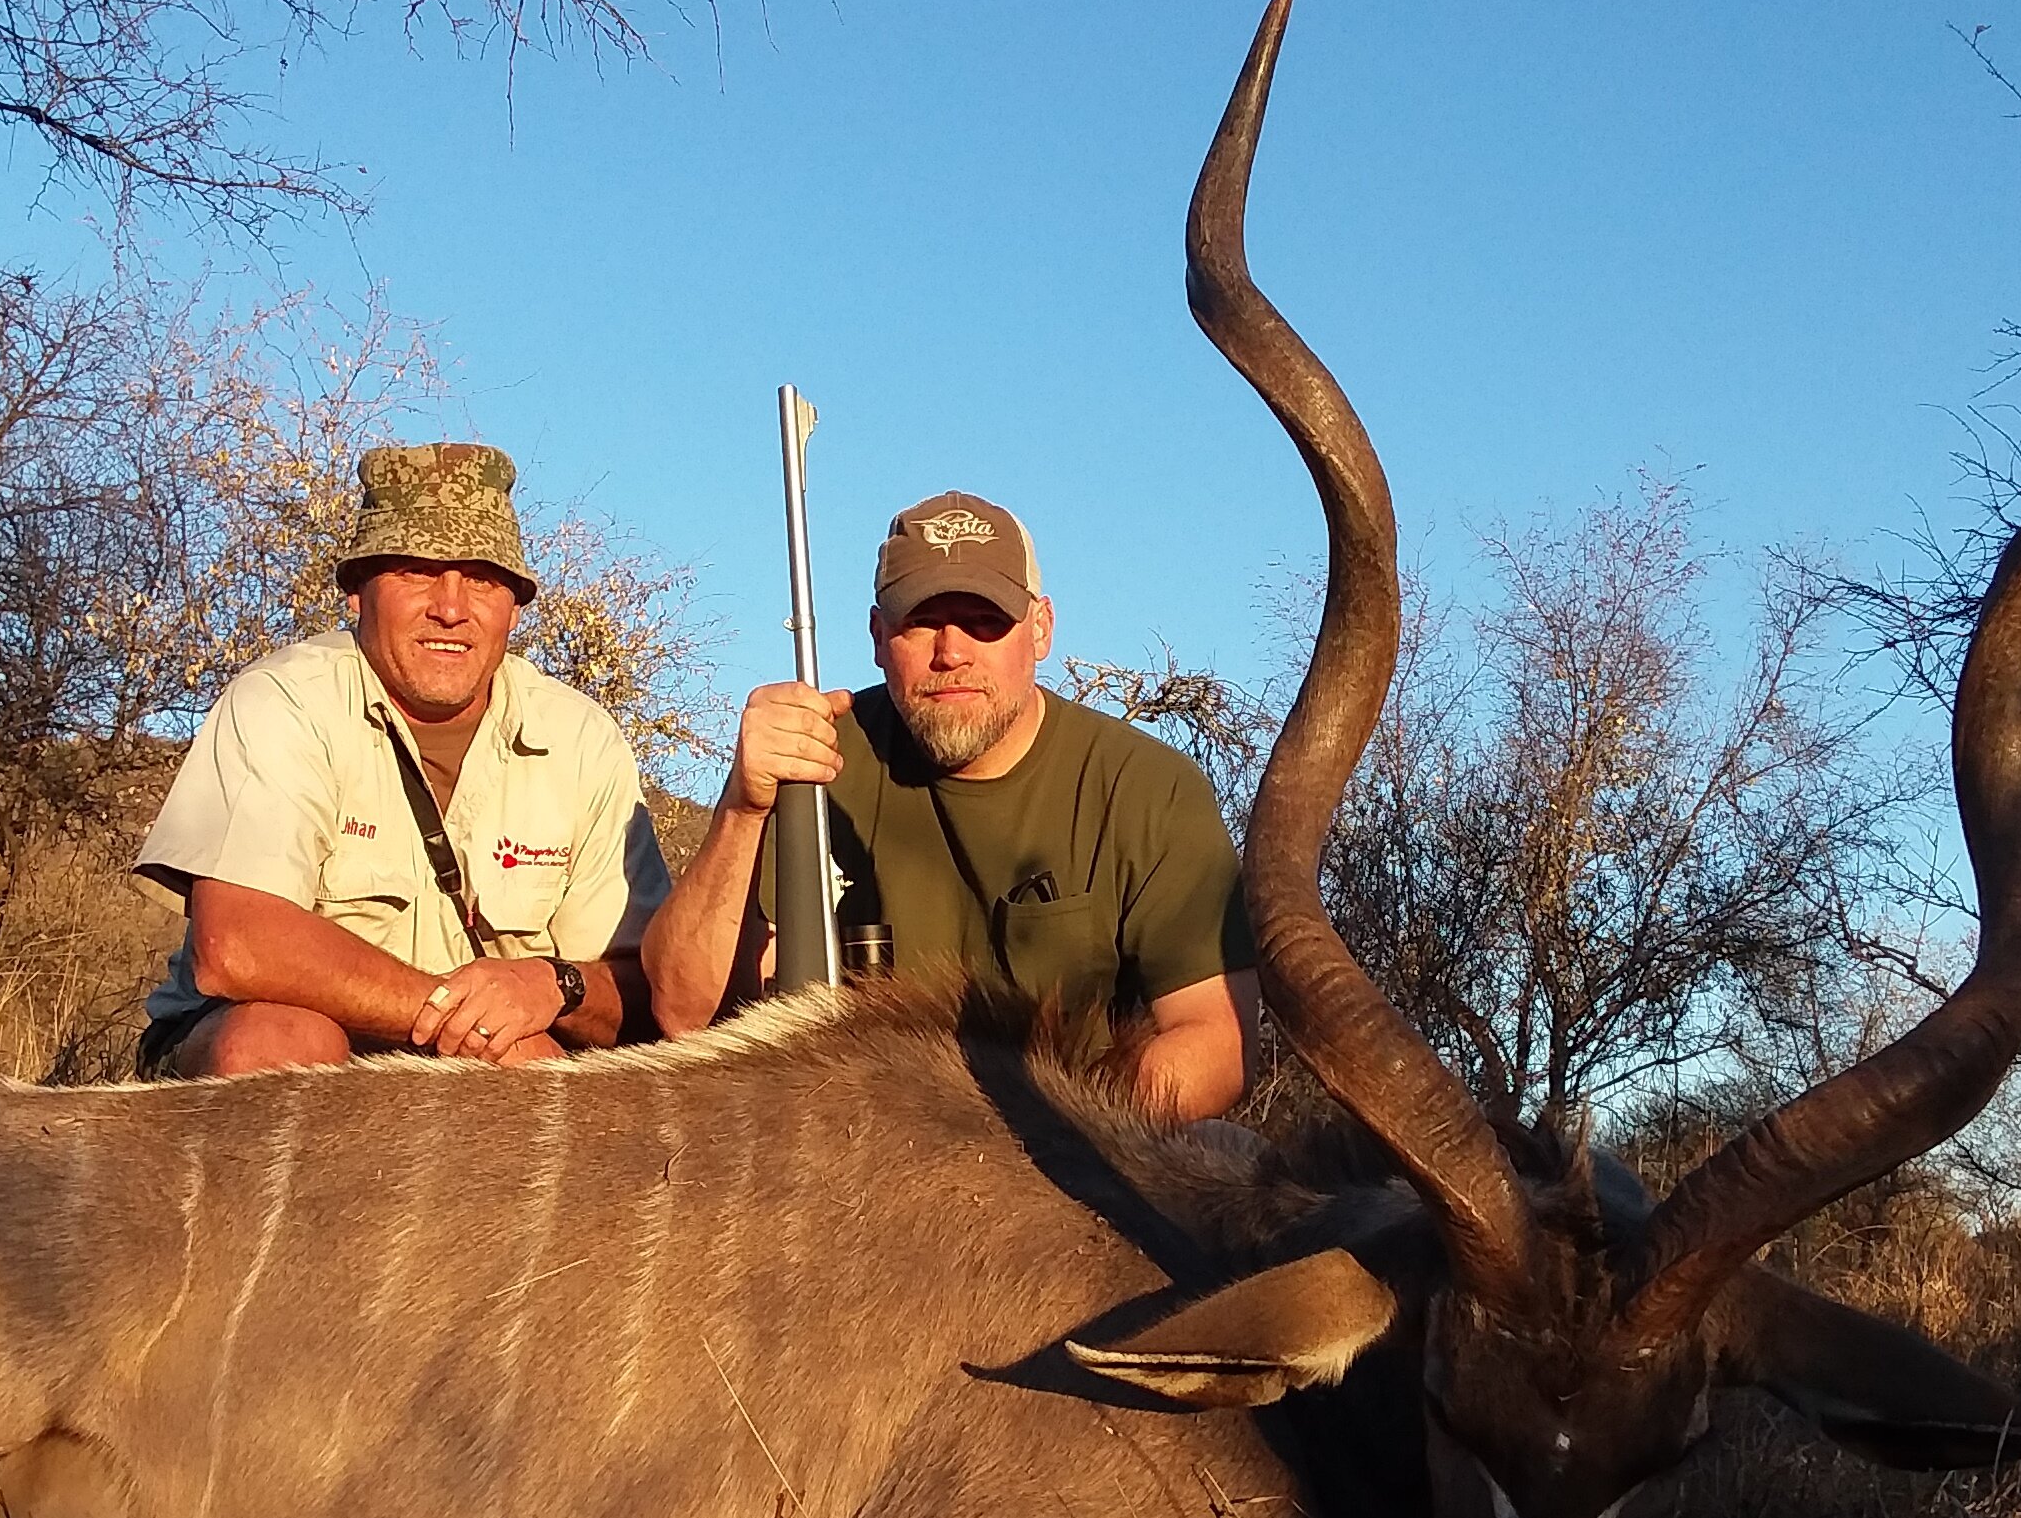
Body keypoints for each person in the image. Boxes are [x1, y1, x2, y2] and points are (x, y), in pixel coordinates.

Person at [641, 489, 1257, 1119]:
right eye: (922, 621)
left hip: (1070, 1146)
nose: (952, 652)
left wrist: (1059, 1133)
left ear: (1040, 628)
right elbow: (683, 1009)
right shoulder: (815, 759)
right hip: (847, 1143)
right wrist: (742, 809)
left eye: (985, 620)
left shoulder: (1150, 788)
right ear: (880, 637)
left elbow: (1218, 1039)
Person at [134, 441, 669, 1077]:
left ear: (515, 607)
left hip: (478, 1074)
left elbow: (641, 994)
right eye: (417, 571)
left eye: (482, 578)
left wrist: (555, 986)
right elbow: (237, 947)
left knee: (540, 1080)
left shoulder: (583, 739)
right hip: (285, 1049)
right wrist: (463, 1020)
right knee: (280, 1043)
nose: (451, 607)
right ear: (358, 592)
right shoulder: (283, 700)